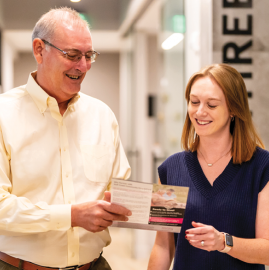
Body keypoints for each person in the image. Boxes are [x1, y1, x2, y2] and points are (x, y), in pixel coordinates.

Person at [0, 7, 132, 270]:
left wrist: (157, 205)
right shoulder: (4, 115)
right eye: (72, 55)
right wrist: (71, 216)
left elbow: (120, 188)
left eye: (88, 55)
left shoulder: (102, 116)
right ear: (39, 50)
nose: (83, 66)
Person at [147, 63, 269, 270]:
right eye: (194, 102)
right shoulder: (171, 170)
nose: (200, 112)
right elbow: (163, 247)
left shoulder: (261, 168)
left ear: (233, 110)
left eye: (211, 105)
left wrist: (224, 242)